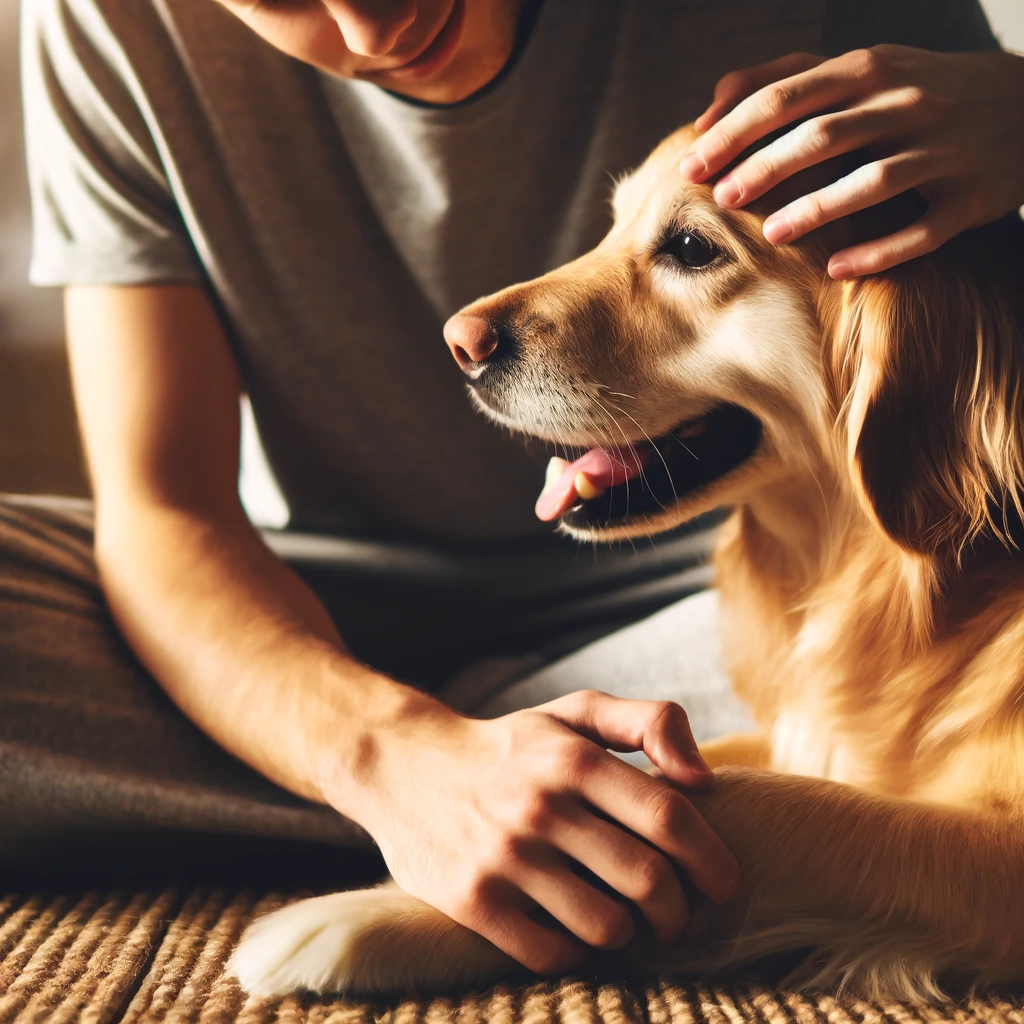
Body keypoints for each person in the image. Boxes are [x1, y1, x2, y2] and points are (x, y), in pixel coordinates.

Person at [8, 0, 1023, 976]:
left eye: (681, 247)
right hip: (315, 618)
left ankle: (553, 800)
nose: (371, 28)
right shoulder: (107, 19)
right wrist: (386, 757)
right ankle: (480, 791)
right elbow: (163, 514)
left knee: (868, 733)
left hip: (704, 625)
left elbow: (959, 389)